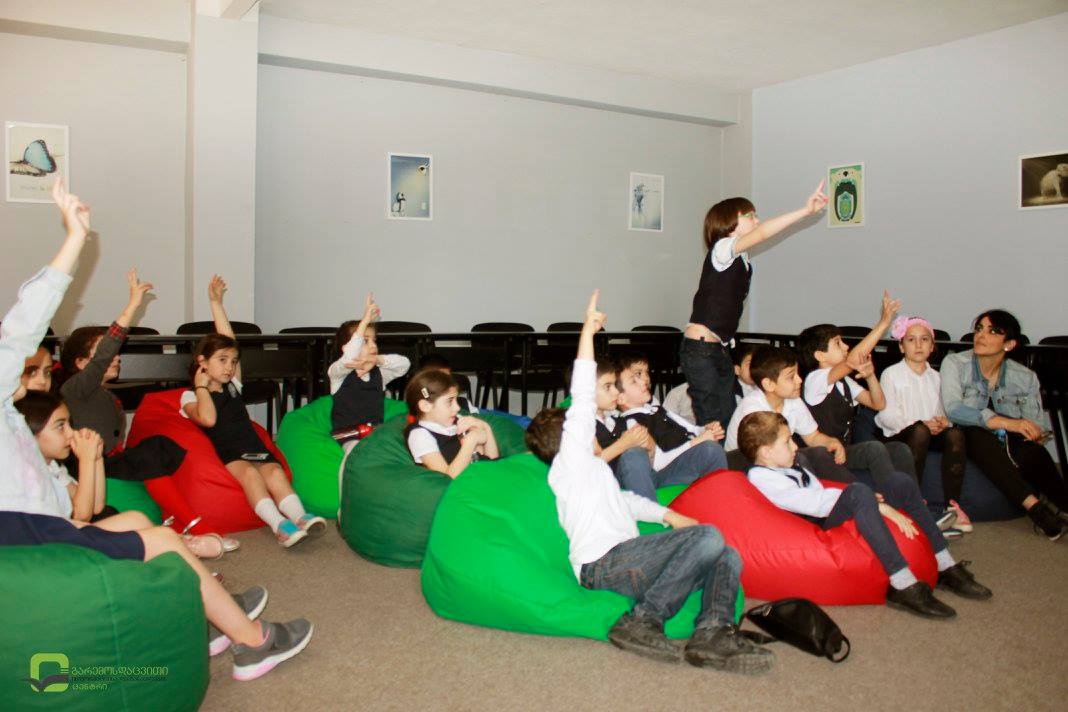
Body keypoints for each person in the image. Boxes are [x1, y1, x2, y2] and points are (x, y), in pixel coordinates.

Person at [0, 179, 312, 681]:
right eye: (27, 370)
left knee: (137, 520)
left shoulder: (24, 432)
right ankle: (253, 643)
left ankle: (206, 614)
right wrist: (74, 240)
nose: (31, 374)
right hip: (30, 542)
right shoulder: (38, 410)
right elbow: (21, 329)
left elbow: (76, 511)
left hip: (50, 528)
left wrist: (86, 465)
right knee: (164, 538)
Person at [525, 290, 773, 673]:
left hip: (630, 558)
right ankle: (644, 619)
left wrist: (670, 516)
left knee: (726, 553)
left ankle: (713, 632)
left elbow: (626, 500)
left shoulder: (592, 473)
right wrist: (587, 332)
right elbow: (582, 397)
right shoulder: (570, 465)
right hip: (603, 564)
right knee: (708, 537)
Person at [738, 411, 991, 618]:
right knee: (859, 492)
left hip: (829, 509)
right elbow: (813, 503)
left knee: (900, 482)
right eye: (787, 442)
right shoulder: (762, 478)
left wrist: (869, 500)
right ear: (766, 452)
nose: (795, 446)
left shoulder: (789, 464)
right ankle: (902, 583)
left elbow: (821, 490)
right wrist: (872, 503)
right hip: (816, 526)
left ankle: (945, 564)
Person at [181, 275, 326, 547]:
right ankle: (279, 525)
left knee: (275, 473)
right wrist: (201, 386)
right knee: (250, 475)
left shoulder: (233, 384)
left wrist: (217, 304)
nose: (229, 367)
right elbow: (208, 419)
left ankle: (299, 517)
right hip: (230, 453)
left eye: (233, 361)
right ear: (202, 362)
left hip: (253, 445)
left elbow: (229, 341)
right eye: (222, 360)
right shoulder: (190, 395)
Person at [681, 182, 828, 430]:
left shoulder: (742, 258)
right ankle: (710, 455)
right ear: (729, 221)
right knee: (712, 419)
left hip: (716, 348)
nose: (757, 220)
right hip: (701, 349)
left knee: (728, 416)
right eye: (750, 215)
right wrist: (805, 211)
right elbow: (762, 234)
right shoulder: (723, 247)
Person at [941, 310, 1068, 540]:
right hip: (966, 435)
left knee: (1032, 451)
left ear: (1009, 344)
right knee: (976, 433)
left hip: (1008, 440)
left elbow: (1035, 424)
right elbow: (953, 409)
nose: (981, 335)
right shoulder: (955, 363)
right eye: (979, 329)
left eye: (992, 331)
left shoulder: (1025, 377)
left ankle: (1063, 503)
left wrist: (1032, 432)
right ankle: (1036, 509)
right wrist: (1004, 422)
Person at [797, 292, 918, 487]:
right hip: (822, 455)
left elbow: (878, 404)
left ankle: (913, 498)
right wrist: (883, 323)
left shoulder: (844, 381)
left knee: (899, 449)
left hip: (843, 452)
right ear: (820, 355)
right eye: (838, 343)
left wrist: (870, 376)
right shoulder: (815, 380)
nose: (846, 346)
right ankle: (892, 499)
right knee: (874, 448)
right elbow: (853, 360)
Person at [877, 316, 970, 531]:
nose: (918, 345)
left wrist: (944, 422)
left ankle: (953, 506)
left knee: (955, 434)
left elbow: (947, 411)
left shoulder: (938, 377)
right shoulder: (891, 374)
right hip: (900, 434)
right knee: (919, 431)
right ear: (901, 346)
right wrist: (920, 424)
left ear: (932, 346)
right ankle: (914, 502)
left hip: (932, 433)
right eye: (911, 340)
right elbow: (887, 416)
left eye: (924, 339)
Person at [57, 268, 152, 456]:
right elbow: (104, 355)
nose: (115, 357)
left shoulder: (107, 396)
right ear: (81, 363)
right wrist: (133, 305)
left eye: (116, 354)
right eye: (109, 353)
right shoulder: (75, 389)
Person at [612, 354, 728, 503]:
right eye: (635, 380)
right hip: (663, 471)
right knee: (710, 450)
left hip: (683, 457)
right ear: (620, 398)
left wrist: (705, 430)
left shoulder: (655, 409)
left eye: (645, 374)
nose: (644, 380)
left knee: (712, 449)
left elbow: (689, 429)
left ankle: (721, 500)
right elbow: (658, 463)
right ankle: (721, 502)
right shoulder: (631, 423)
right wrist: (698, 442)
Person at [404, 369, 498, 478]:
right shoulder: (419, 435)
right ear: (426, 406)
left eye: (456, 400)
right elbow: (447, 478)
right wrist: (470, 442)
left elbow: (492, 460)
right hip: (464, 483)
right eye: (450, 401)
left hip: (484, 476)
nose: (457, 407)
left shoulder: (458, 421)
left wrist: (486, 428)